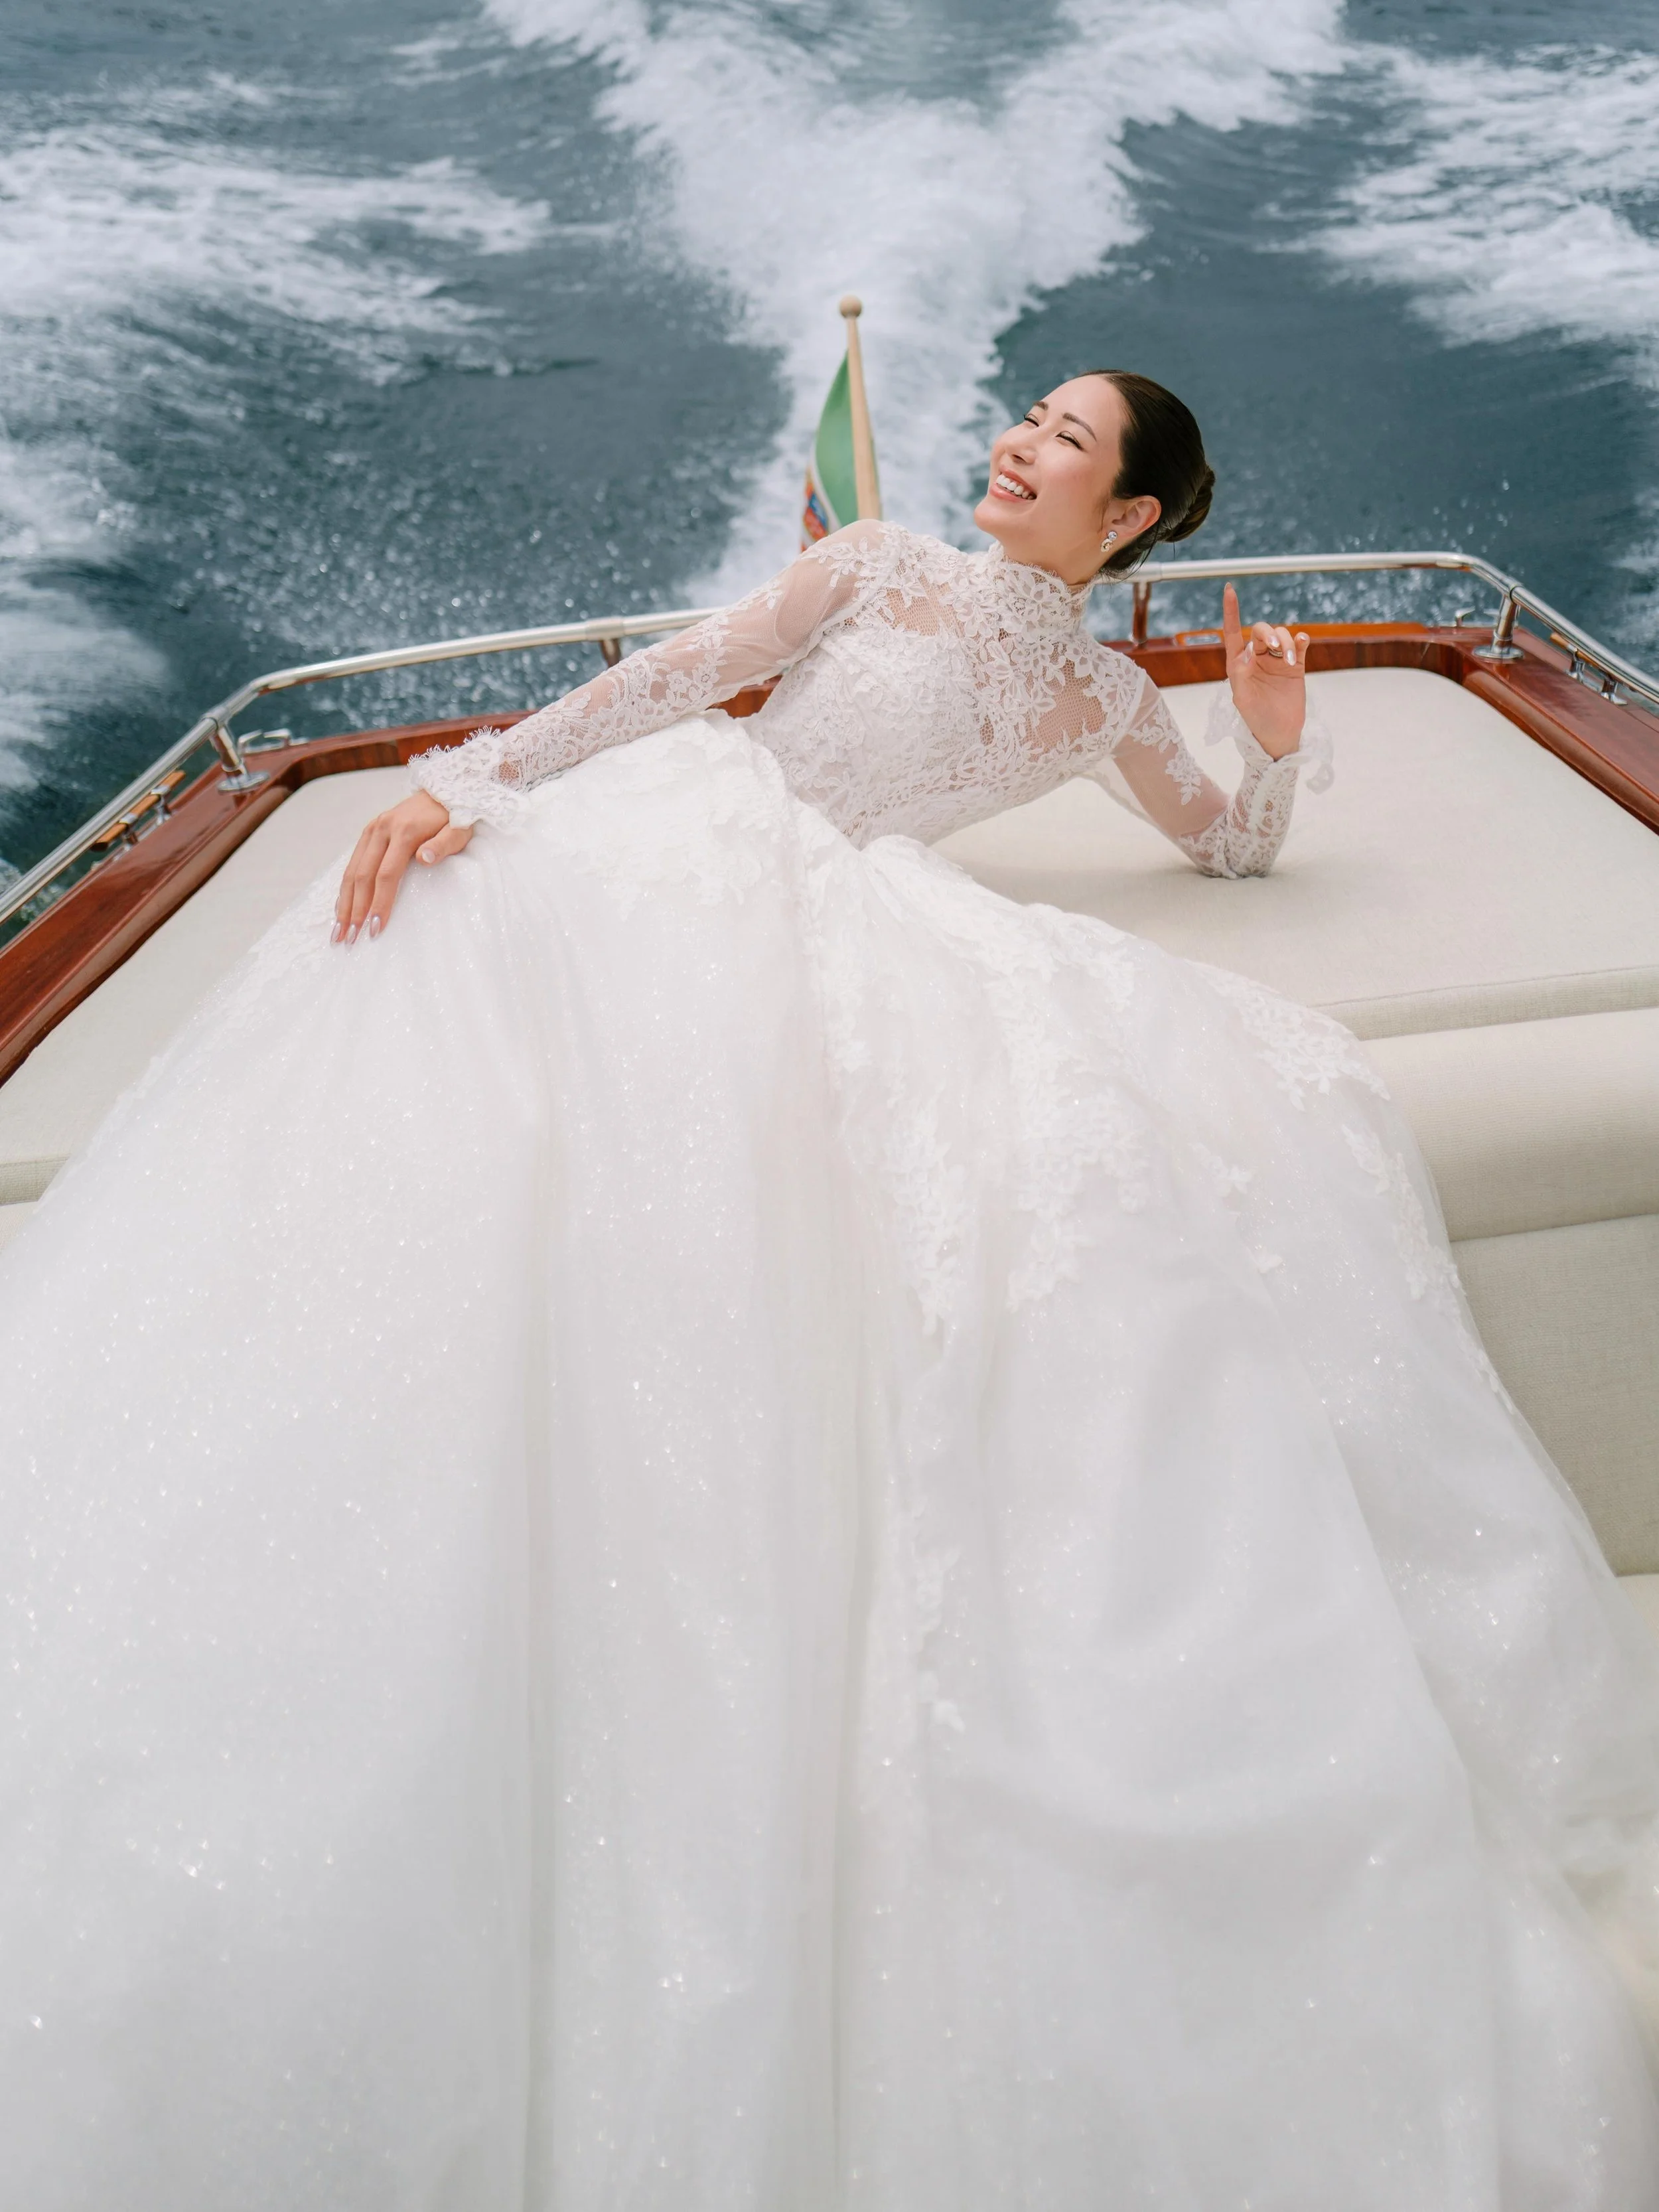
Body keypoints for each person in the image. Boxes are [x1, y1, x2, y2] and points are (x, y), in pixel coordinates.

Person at [1, 370, 1656, 2211]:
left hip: (855, 936)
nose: (1019, 445)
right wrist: (466, 777)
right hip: (698, 860)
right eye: (1026, 419)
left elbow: (1219, 842)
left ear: (1127, 522)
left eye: (1064, 443)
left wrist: (1267, 740)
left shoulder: (1108, 691)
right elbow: (677, 674)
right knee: (442, 1004)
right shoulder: (875, 561)